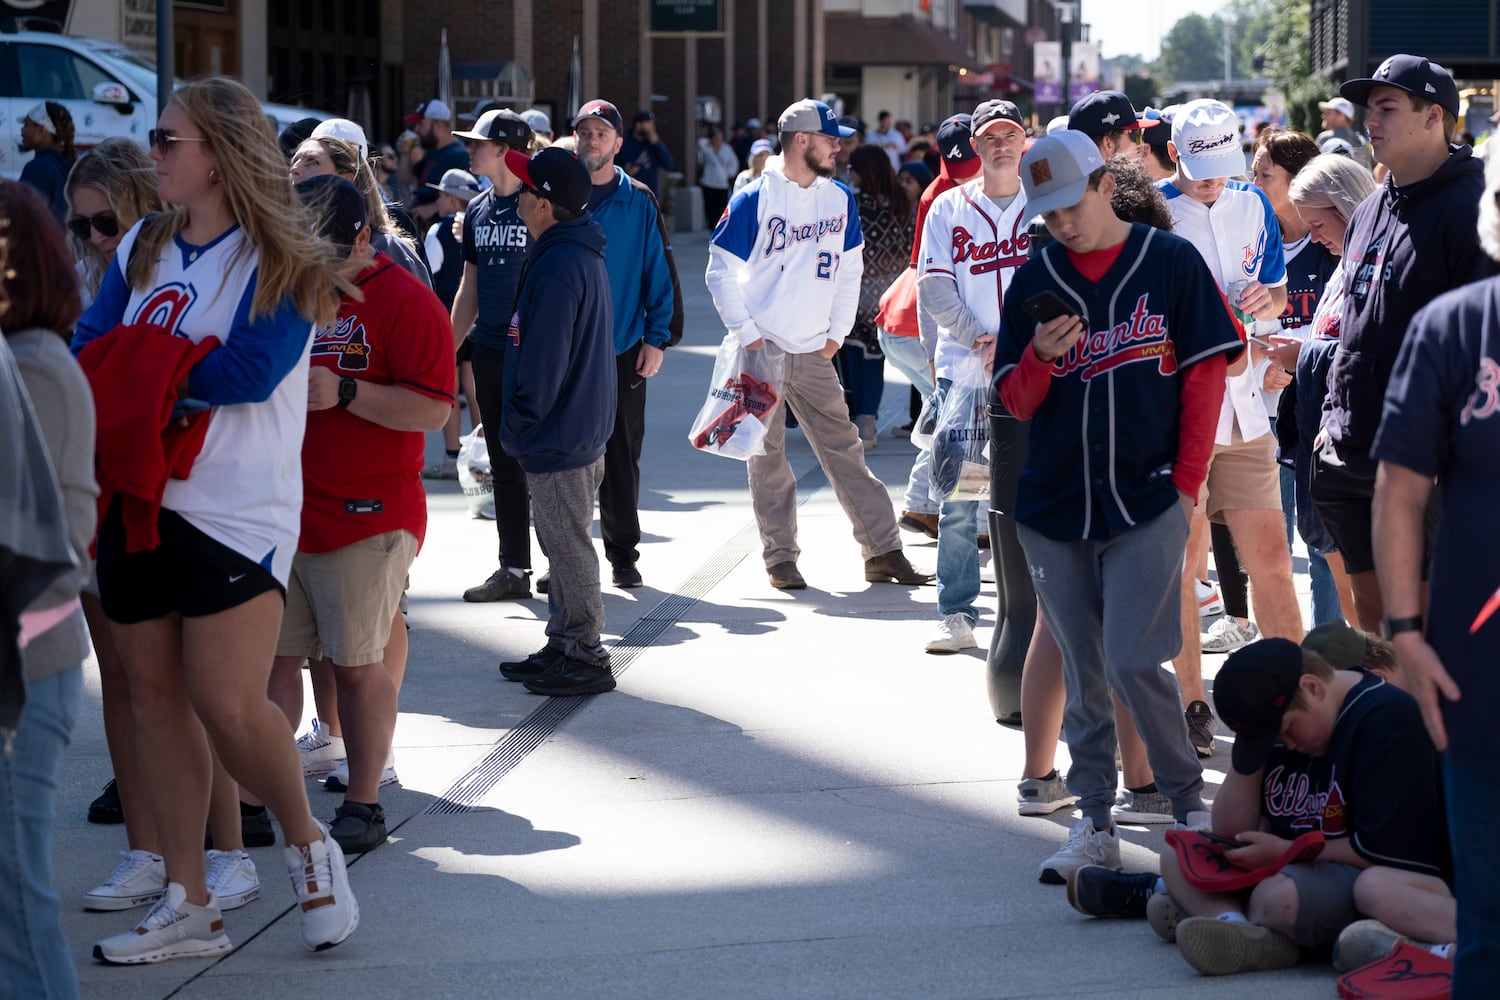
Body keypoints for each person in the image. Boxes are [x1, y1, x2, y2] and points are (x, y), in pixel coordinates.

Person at [72, 76, 358, 963]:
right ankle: (190, 903)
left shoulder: (285, 258)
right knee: (155, 698)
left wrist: (142, 371)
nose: (154, 154)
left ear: (220, 154)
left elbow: (248, 372)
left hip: (236, 509)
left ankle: (310, 843)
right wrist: (148, 369)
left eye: (168, 141)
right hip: (139, 494)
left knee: (229, 703)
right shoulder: (144, 246)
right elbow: (89, 345)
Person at [995, 130, 1242, 881]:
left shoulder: (1168, 261)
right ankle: (1095, 820)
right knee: (1083, 664)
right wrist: (1038, 357)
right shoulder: (1036, 274)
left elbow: (1206, 375)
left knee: (1137, 656)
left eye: (1069, 202)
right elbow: (1013, 398)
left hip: (1148, 494)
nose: (1061, 222)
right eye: (1047, 212)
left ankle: (1187, 805)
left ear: (1104, 184)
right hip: (1055, 501)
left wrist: (1186, 485)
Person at [1067, 638, 1449, 976]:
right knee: (1177, 854)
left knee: (1276, 898)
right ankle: (1235, 928)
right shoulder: (1291, 728)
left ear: (1313, 688)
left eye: (1286, 730)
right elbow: (1228, 830)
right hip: (1293, 869)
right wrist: (1254, 756)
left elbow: (1385, 851)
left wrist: (1286, 853)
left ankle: (1235, 919)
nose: (1287, 744)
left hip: (1357, 869)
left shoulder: (1384, 717)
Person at [268, 175, 453, 854]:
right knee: (274, 662)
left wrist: (347, 391)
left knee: (354, 665)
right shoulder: (287, 294)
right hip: (286, 509)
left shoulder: (404, 300)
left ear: (365, 239)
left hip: (368, 513)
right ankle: (259, 795)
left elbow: (434, 408)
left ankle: (365, 799)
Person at [1370, 140, 1500, 996]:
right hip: (1476, 661)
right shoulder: (1454, 326)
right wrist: (1406, 632)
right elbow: (1399, 492)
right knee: (1488, 910)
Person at [706, 98, 931, 591]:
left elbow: (851, 268)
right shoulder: (755, 197)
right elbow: (719, 270)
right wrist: (750, 336)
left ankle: (883, 550)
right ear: (802, 140)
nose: (839, 146)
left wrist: (835, 334)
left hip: (813, 351)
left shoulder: (838, 197)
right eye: (832, 138)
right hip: (759, 353)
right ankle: (780, 557)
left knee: (845, 451)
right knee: (766, 460)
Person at [1314, 53, 1497, 633]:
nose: (1371, 119)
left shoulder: (1472, 210)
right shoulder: (1371, 205)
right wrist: (1330, 413)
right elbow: (1357, 319)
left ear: (1433, 116)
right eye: (1369, 108)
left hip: (1421, 461)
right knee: (1375, 627)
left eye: (1388, 106)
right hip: (1348, 449)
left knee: (1424, 629)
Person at [1160, 98, 1302, 757]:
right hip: (1178, 413)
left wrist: (1261, 301)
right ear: (1173, 156)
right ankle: (1191, 700)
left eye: (1221, 165)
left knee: (1272, 557)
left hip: (1245, 407)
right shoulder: (1153, 212)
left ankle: (1296, 696)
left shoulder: (1251, 205)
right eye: (1199, 167)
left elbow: (1274, 293)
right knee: (1184, 566)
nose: (1212, 179)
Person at [0, 182, 95, 999]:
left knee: (18, 903)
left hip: (27, 665)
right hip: (26, 658)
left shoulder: (32, 369)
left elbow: (38, 540)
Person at [495, 147, 618, 697]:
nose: (517, 193)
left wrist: (519, 421)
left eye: (526, 188)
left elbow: (544, 357)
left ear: (544, 205)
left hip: (559, 431)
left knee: (567, 546)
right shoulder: (570, 251)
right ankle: (564, 641)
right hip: (570, 426)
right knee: (559, 541)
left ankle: (587, 655)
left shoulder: (561, 263)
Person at [915, 100, 1030, 654]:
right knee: (962, 501)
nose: (1001, 144)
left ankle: (1037, 612)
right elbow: (933, 286)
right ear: (976, 146)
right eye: (991, 136)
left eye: (1010, 133)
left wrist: (1016, 342)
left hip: (1038, 368)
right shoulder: (947, 208)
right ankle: (956, 612)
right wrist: (980, 338)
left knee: (1034, 494)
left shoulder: (1048, 202)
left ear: (1024, 139)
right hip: (968, 372)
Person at [1239, 130, 1347, 630]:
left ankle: (1329, 645)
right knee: (1267, 549)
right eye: (1254, 171)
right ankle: (1277, 650)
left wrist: (1300, 359)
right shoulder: (1248, 240)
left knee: (1325, 544)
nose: (1254, 181)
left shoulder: (1332, 244)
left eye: (1265, 174)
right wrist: (1263, 364)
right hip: (1260, 410)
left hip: (1319, 412)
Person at [572, 98, 683, 590]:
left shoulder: (638, 200)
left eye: (601, 133)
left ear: (619, 144)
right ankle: (565, 558)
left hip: (621, 350)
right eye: (584, 132)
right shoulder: (556, 194)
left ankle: (622, 555)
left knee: (620, 458)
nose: (591, 140)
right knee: (564, 461)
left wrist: (657, 339)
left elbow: (658, 275)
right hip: (565, 353)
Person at [1277, 154, 1378, 632]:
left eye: (1318, 224)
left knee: (1365, 603)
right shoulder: (1347, 265)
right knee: (1350, 594)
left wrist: (1303, 359)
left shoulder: (1371, 266)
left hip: (1357, 454)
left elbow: (1367, 352)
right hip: (1333, 448)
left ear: (1347, 208)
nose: (1314, 236)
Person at [450, 109, 540, 603]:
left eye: (477, 142)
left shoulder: (539, 203)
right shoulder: (480, 209)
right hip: (490, 350)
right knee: (503, 459)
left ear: (504, 149)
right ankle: (514, 568)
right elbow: (469, 290)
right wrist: (441, 350)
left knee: (544, 459)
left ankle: (560, 561)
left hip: (537, 354)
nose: (469, 148)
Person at [288, 134, 432, 287]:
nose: (295, 169)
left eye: (312, 162)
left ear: (346, 179)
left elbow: (421, 307)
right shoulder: (281, 243)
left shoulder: (388, 248)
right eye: (294, 161)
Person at [842, 143, 911, 451]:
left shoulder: (851, 204)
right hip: (890, 293)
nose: (849, 173)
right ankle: (867, 420)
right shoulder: (901, 203)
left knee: (853, 354)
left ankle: (859, 419)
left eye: (852, 168)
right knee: (874, 358)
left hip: (855, 292)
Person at [421, 168, 482, 478]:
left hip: (448, 317)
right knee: (474, 387)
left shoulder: (438, 232)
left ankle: (452, 456)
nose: (438, 199)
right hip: (478, 316)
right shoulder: (480, 224)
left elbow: (428, 275)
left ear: (451, 198)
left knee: (451, 385)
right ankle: (485, 455)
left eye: (442, 194)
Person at [406, 99, 470, 224]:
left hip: (446, 229)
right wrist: (405, 153)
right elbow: (406, 178)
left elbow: (468, 194)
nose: (416, 130)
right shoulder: (433, 152)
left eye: (421, 124)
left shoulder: (459, 155)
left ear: (438, 125)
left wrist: (433, 207)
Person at [19, 101, 77, 225]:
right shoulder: (66, 166)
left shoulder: (38, 168)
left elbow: (22, 217)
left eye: (26, 124)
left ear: (41, 130)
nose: (22, 130)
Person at [617, 110, 677, 201]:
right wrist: (626, 170)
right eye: (649, 123)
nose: (652, 127)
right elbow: (615, 167)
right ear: (638, 125)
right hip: (631, 197)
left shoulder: (653, 145)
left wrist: (657, 144)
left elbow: (669, 165)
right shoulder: (625, 145)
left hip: (651, 197)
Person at [697, 124, 740, 225]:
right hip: (708, 182)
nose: (718, 140)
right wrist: (710, 143)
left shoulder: (726, 149)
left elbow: (734, 163)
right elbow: (700, 142)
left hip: (722, 184)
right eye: (715, 137)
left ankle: (719, 227)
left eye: (720, 137)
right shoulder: (707, 148)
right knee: (709, 209)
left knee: (720, 209)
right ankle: (711, 227)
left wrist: (728, 174)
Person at [1316, 97, 1374, 168]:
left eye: (1328, 112)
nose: (1323, 116)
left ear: (1341, 116)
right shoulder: (1361, 141)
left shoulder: (1325, 138)